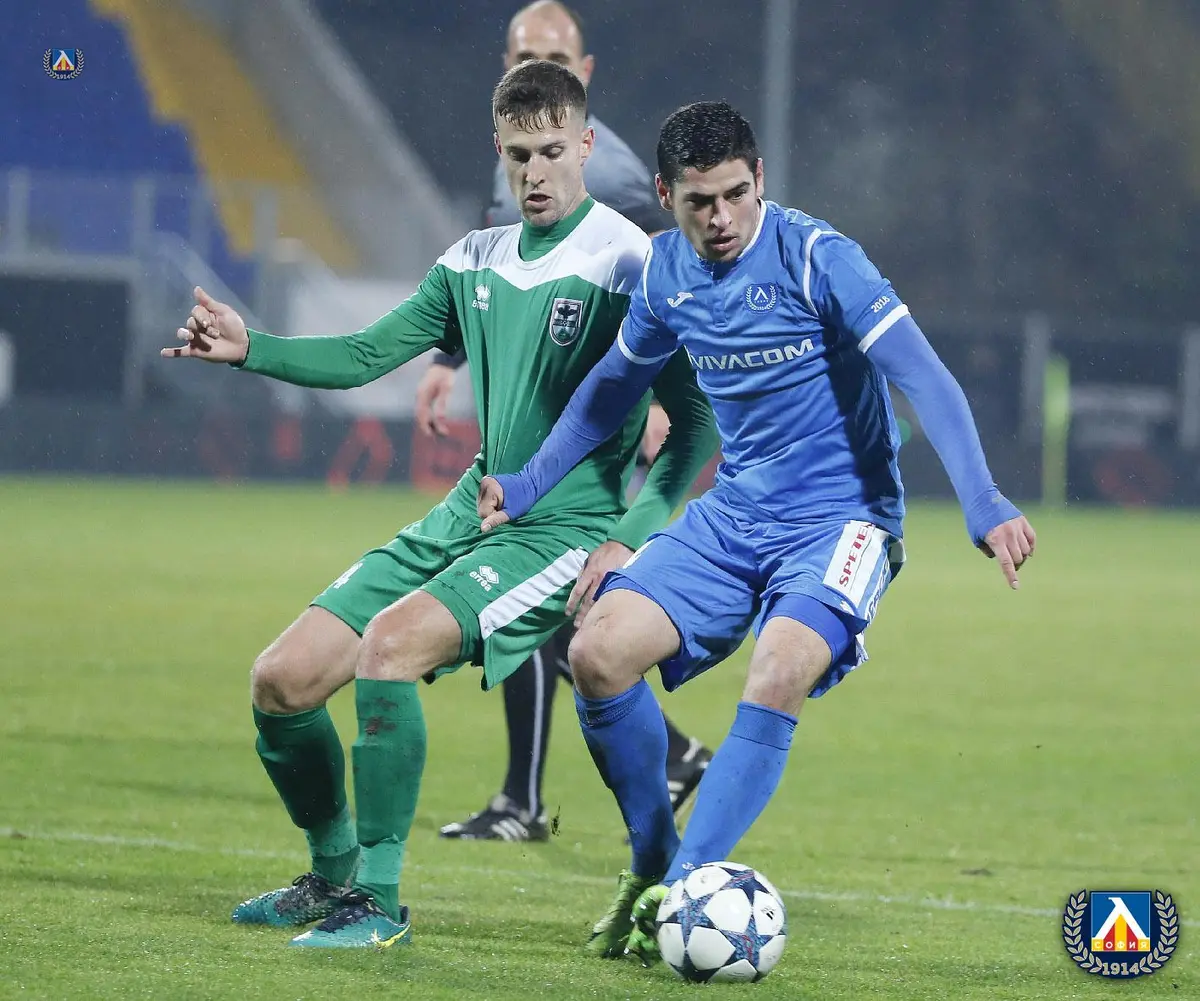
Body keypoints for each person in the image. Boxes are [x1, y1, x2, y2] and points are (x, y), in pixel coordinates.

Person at [159, 61, 716, 949]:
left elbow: (692, 426)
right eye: (518, 155)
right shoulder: (473, 259)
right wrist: (249, 347)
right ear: (498, 152)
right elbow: (362, 355)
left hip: (562, 533)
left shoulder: (630, 262)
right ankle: (331, 870)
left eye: (552, 152)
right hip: (471, 508)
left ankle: (378, 903)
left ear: (585, 145)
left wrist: (627, 538)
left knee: (389, 647)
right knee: (282, 680)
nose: (535, 173)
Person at [476, 100, 1037, 960]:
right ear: (665, 194)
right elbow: (608, 392)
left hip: (843, 521)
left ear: (760, 179)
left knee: (777, 669)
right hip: (735, 515)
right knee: (595, 651)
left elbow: (925, 377)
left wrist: (984, 500)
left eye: (736, 194)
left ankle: (679, 891)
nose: (721, 218)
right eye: (699, 201)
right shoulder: (664, 274)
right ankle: (653, 861)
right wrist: (526, 484)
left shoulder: (819, 258)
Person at [420, 0, 711, 844]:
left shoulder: (610, 175)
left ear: (583, 74)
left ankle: (529, 798)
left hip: (593, 424)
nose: (535, 68)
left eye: (552, 57)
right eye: (523, 56)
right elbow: (507, 264)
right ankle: (667, 755)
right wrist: (448, 359)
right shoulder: (519, 152)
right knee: (551, 602)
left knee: (534, 595)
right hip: (537, 418)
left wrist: (662, 399)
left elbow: (662, 288)